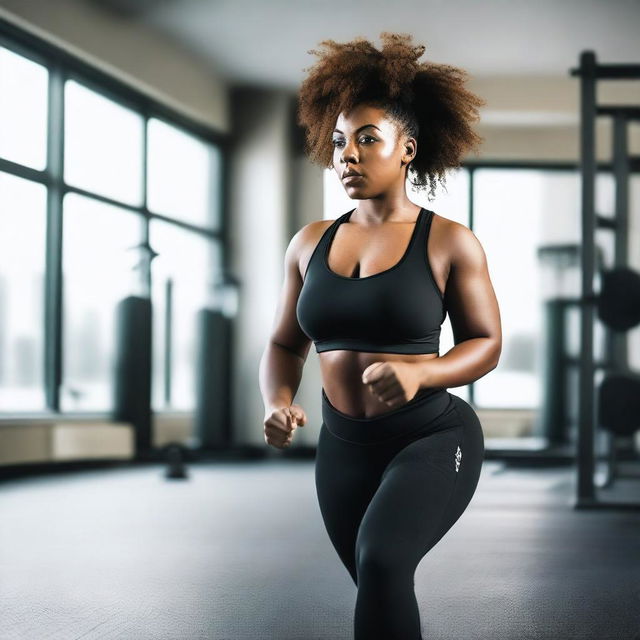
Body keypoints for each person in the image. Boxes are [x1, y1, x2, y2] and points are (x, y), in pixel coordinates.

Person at [258, 31, 502, 640]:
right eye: (339, 141)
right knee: (376, 583)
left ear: (407, 149)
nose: (348, 154)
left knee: (383, 562)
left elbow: (486, 343)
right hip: (343, 445)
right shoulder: (309, 242)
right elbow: (286, 344)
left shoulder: (449, 241)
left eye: (368, 138)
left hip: (430, 435)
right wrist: (277, 402)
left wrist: (423, 371)